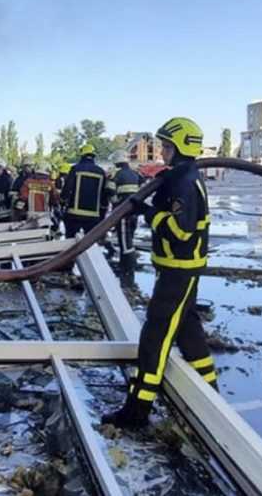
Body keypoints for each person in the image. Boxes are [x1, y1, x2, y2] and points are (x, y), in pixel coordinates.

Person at [103, 117, 215, 429]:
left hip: (179, 270)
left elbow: (180, 231)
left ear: (180, 148)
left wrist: (148, 211)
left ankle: (138, 409)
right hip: (176, 268)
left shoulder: (183, 182)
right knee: (189, 330)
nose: (162, 151)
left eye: (166, 146)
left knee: (155, 337)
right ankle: (211, 392)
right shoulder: (178, 176)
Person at [61, 144, 112, 238]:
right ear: (93, 156)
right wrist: (102, 212)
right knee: (90, 242)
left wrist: (62, 201)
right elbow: (104, 194)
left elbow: (68, 187)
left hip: (74, 213)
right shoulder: (101, 172)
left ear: (82, 155)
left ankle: (71, 253)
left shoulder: (75, 169)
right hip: (93, 215)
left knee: (70, 240)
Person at [109, 150, 145, 282]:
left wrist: (115, 205)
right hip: (134, 211)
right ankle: (125, 264)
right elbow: (144, 187)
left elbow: (110, 190)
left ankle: (128, 268)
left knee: (124, 240)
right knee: (129, 237)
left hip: (122, 212)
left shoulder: (116, 175)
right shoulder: (136, 174)